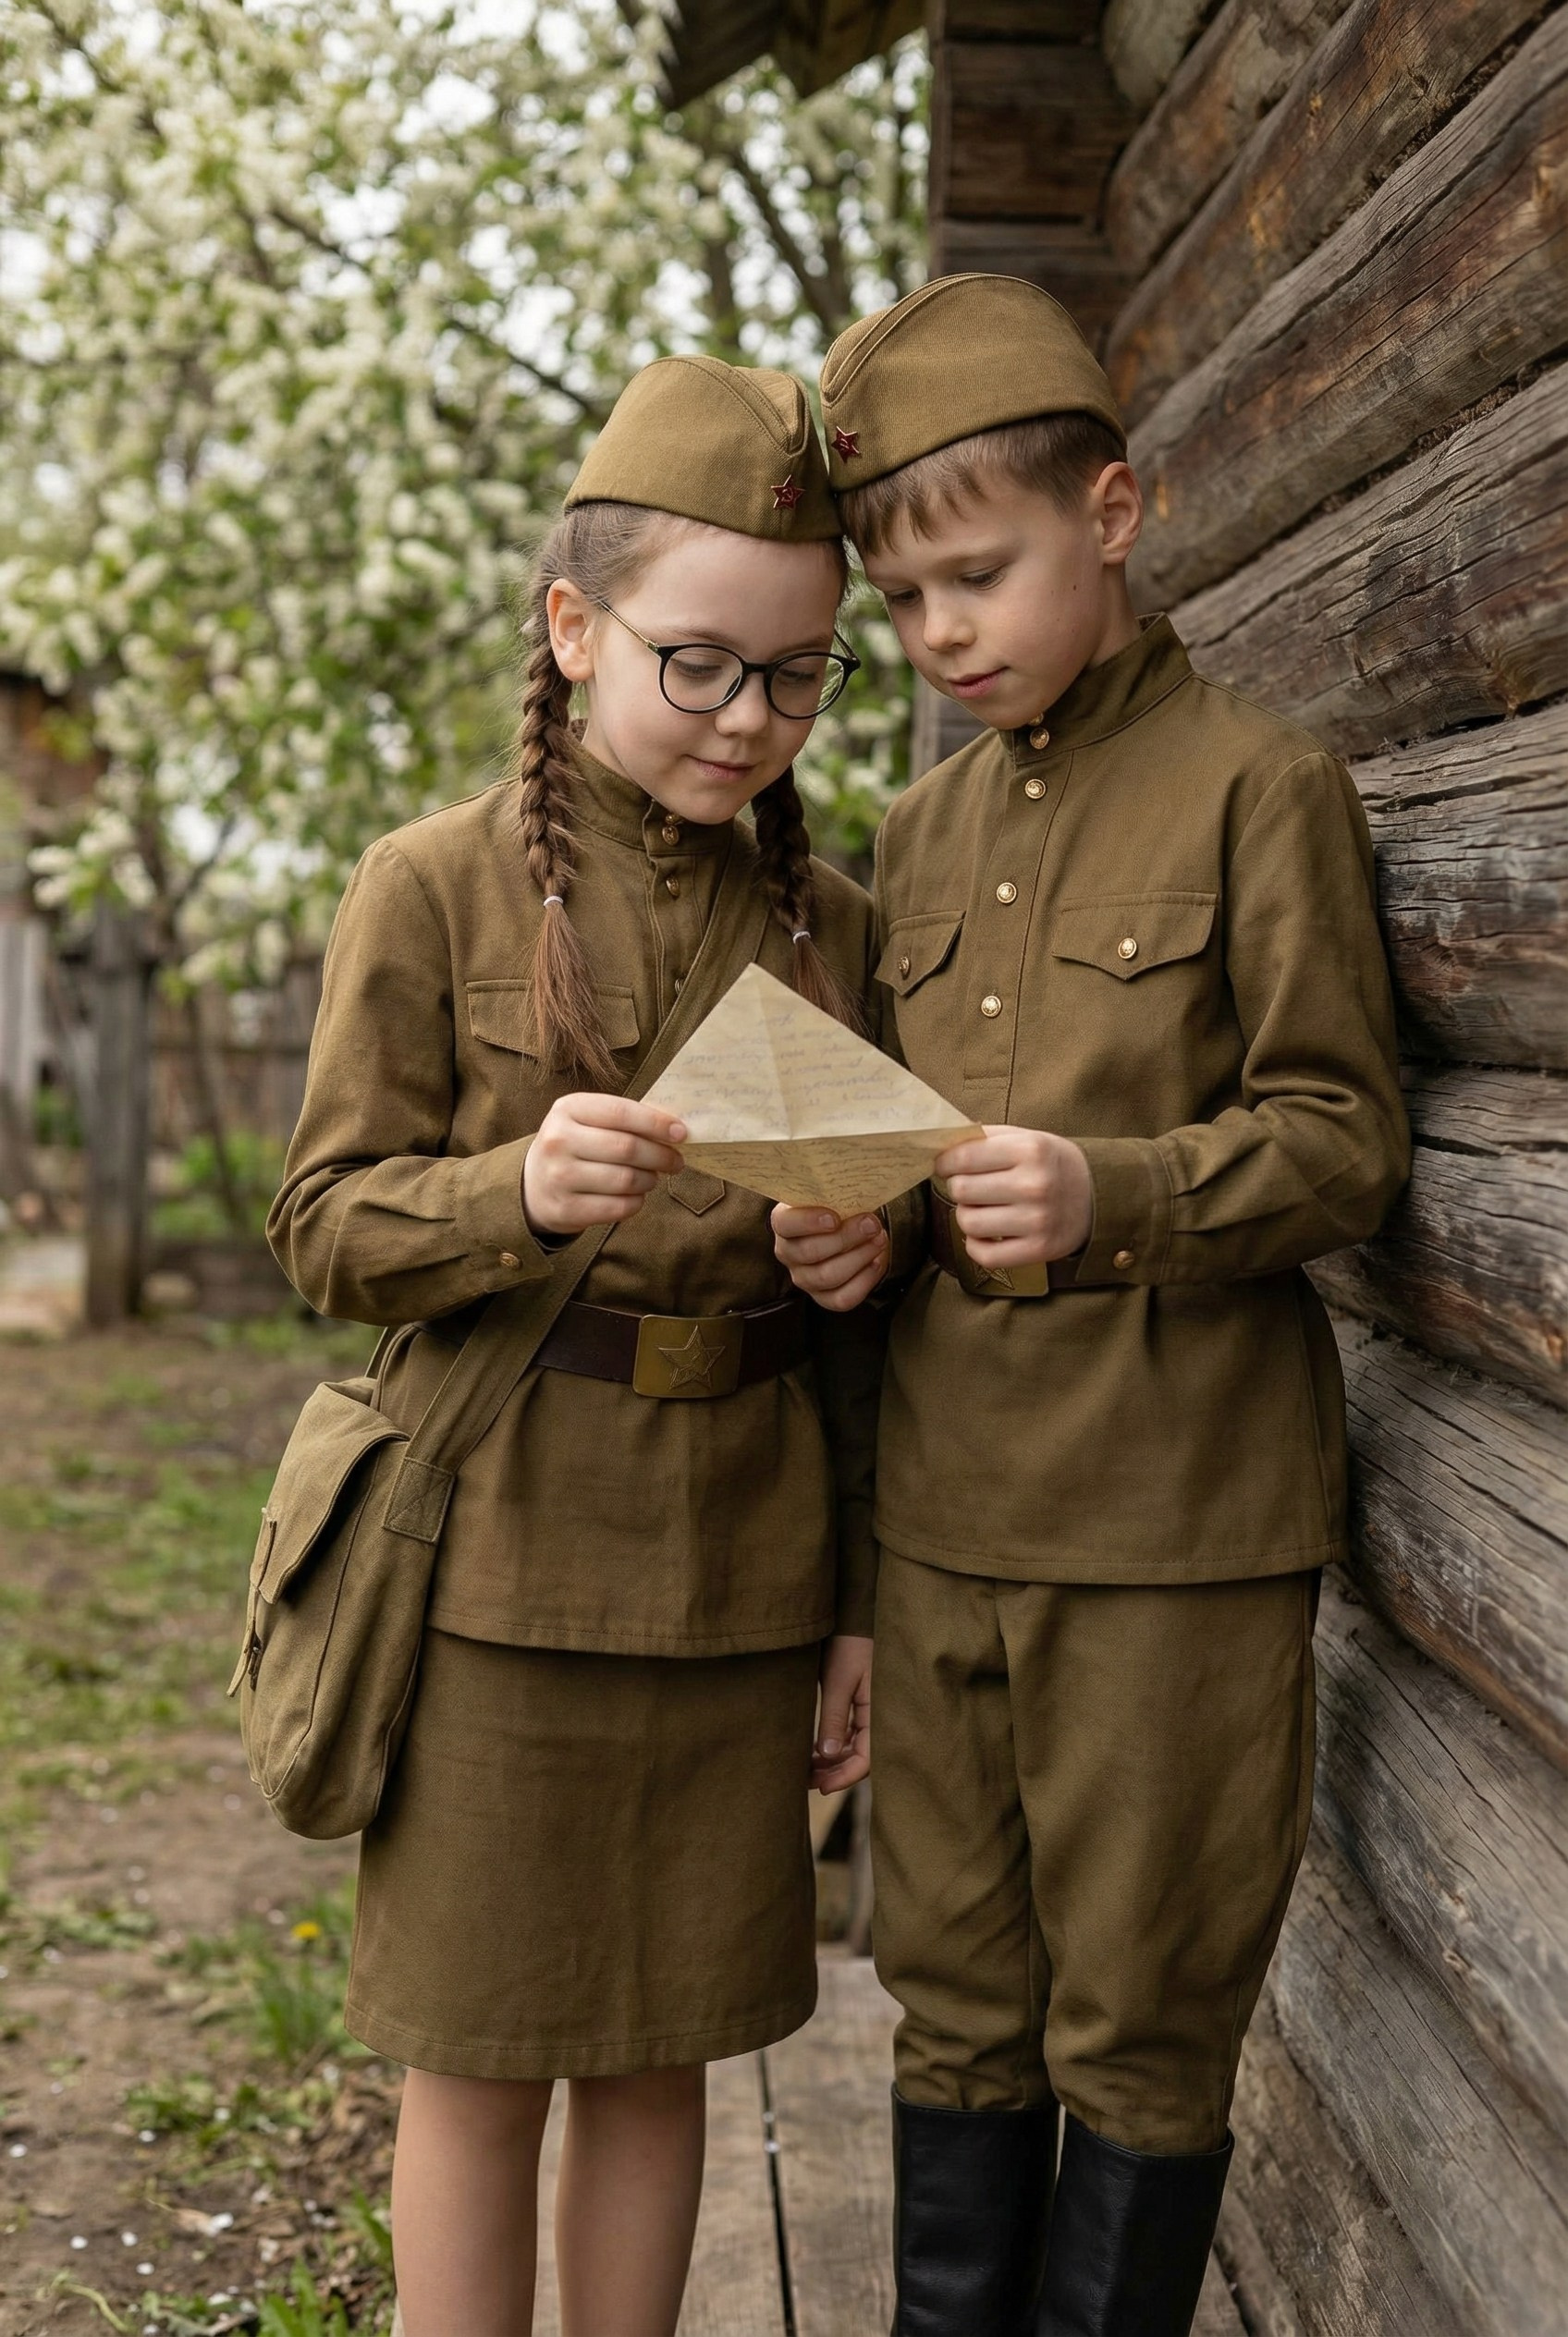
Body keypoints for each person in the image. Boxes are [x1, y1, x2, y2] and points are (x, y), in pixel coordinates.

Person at [773, 274, 1410, 2337]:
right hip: (947, 1518)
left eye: (980, 574)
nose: (945, 635)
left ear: (1113, 512)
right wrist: (854, 1227)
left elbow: (1340, 1138)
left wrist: (1109, 1191)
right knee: (951, 2013)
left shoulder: (1257, 785)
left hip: (1169, 1528)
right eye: (911, 600)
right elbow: (895, 1167)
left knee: (1136, 2029)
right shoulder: (916, 827)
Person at [268, 355, 883, 2337]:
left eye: (792, 678)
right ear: (570, 623)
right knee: (479, 2050)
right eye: (695, 663)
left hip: (741, 1570)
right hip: (496, 1557)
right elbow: (322, 1227)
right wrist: (512, 1193)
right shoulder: (431, 887)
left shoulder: (837, 929)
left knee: (664, 2045)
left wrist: (855, 1260)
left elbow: (872, 1333)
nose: (743, 719)